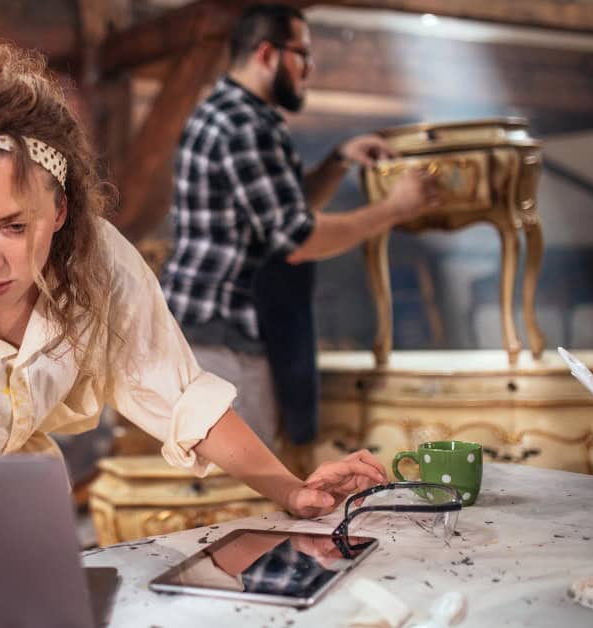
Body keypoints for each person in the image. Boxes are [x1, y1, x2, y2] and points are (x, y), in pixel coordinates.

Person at [0, 37, 386, 518]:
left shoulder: (101, 263)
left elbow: (180, 393)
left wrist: (291, 489)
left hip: (12, 501)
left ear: (61, 213)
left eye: (14, 226)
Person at [160, 5, 440, 450]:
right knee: (244, 489)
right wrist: (394, 209)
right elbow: (298, 238)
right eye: (302, 55)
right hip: (221, 339)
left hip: (215, 332)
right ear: (268, 54)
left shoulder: (235, 112)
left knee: (243, 485)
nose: (309, 68)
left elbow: (278, 209)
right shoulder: (243, 124)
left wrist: (337, 161)